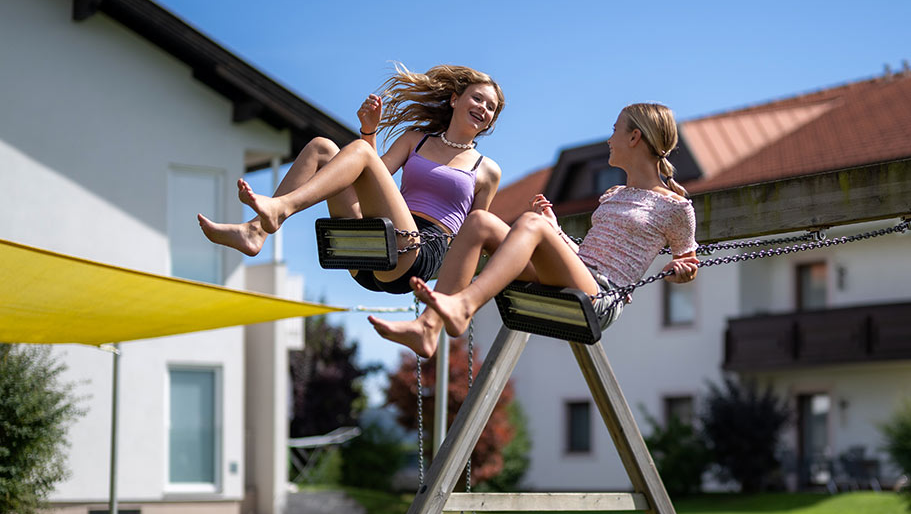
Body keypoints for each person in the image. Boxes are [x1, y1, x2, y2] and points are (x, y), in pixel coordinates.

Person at [369, 102, 700, 357]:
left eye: (615, 130)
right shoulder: (613, 195)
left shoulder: (676, 207)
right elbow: (587, 256)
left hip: (603, 297)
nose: (610, 139)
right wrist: (555, 232)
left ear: (634, 137)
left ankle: (464, 305)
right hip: (579, 274)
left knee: (531, 223)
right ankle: (428, 327)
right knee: (479, 222)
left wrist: (682, 271)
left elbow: (690, 262)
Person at [197, 64, 504, 294]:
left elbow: (474, 233)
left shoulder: (486, 169)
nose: (483, 109)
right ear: (454, 100)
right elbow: (367, 176)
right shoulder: (416, 140)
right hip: (369, 253)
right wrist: (369, 130)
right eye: (478, 99)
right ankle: (255, 233)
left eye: (491, 108)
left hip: (415, 254)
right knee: (322, 147)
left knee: (359, 150)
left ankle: (280, 208)